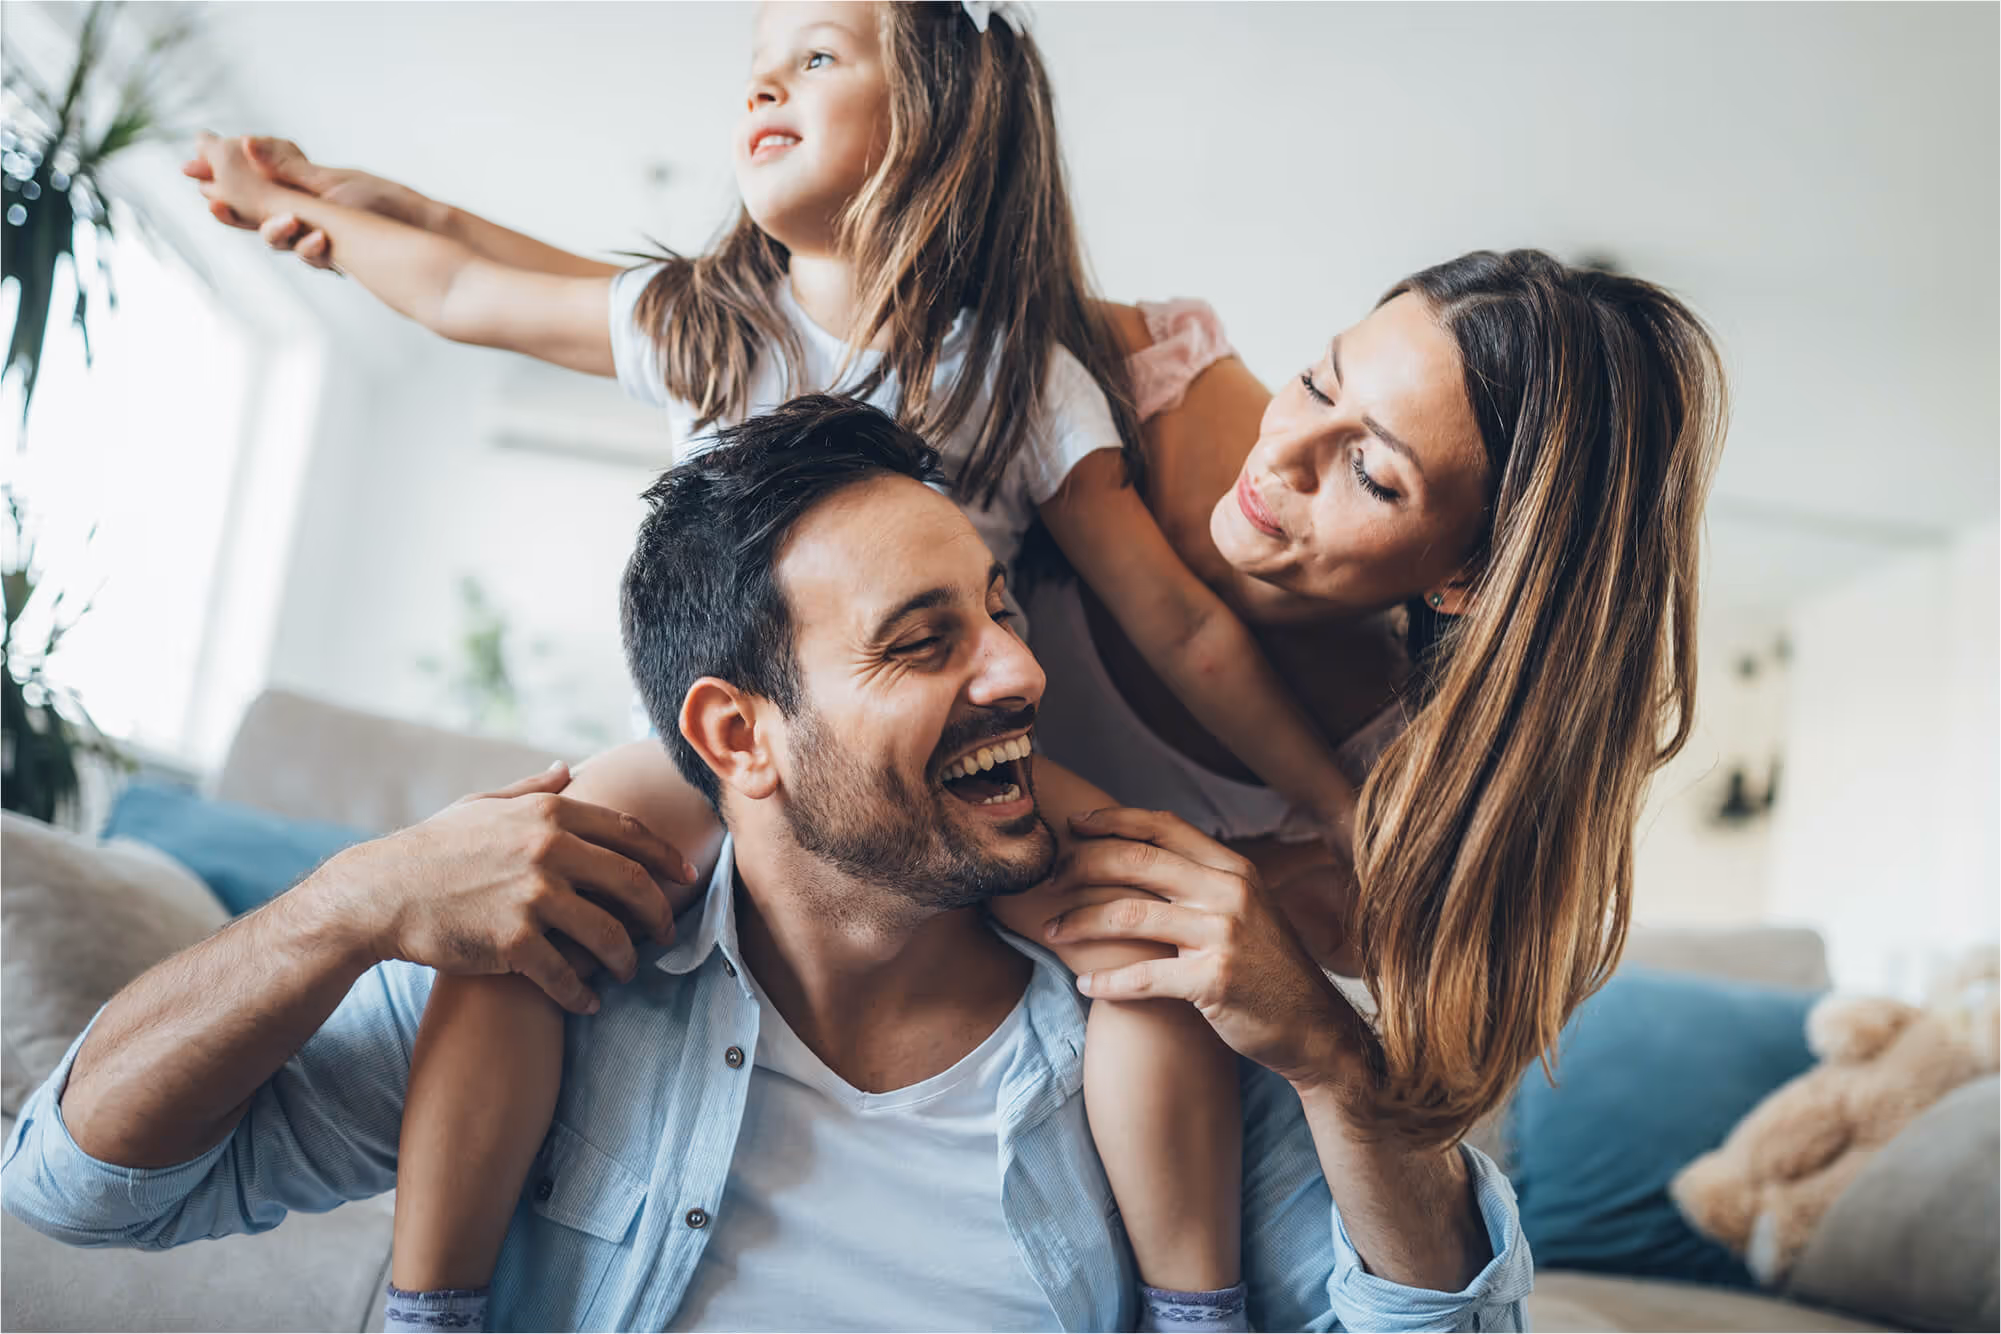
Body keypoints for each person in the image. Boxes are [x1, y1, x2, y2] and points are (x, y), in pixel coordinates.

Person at [180, 1, 1357, 1314]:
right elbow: (462, 281)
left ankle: (1200, 1305)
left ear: (936, 125)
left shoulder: (1021, 376)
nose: (762, 87)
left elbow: (1180, 621)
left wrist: (1337, 803)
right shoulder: (709, 323)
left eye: (812, 58)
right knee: (520, 920)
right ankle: (430, 1302)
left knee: (1149, 948)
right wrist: (329, 222)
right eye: (752, 68)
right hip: (711, 762)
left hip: (949, 775)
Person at [0, 398, 1533, 1332]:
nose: (1017, 672)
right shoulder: (561, 982)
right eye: (926, 642)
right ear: (740, 733)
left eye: (1001, 611)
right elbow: (79, 1189)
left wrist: (1338, 1059)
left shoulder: (1156, 1016)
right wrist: (348, 905)